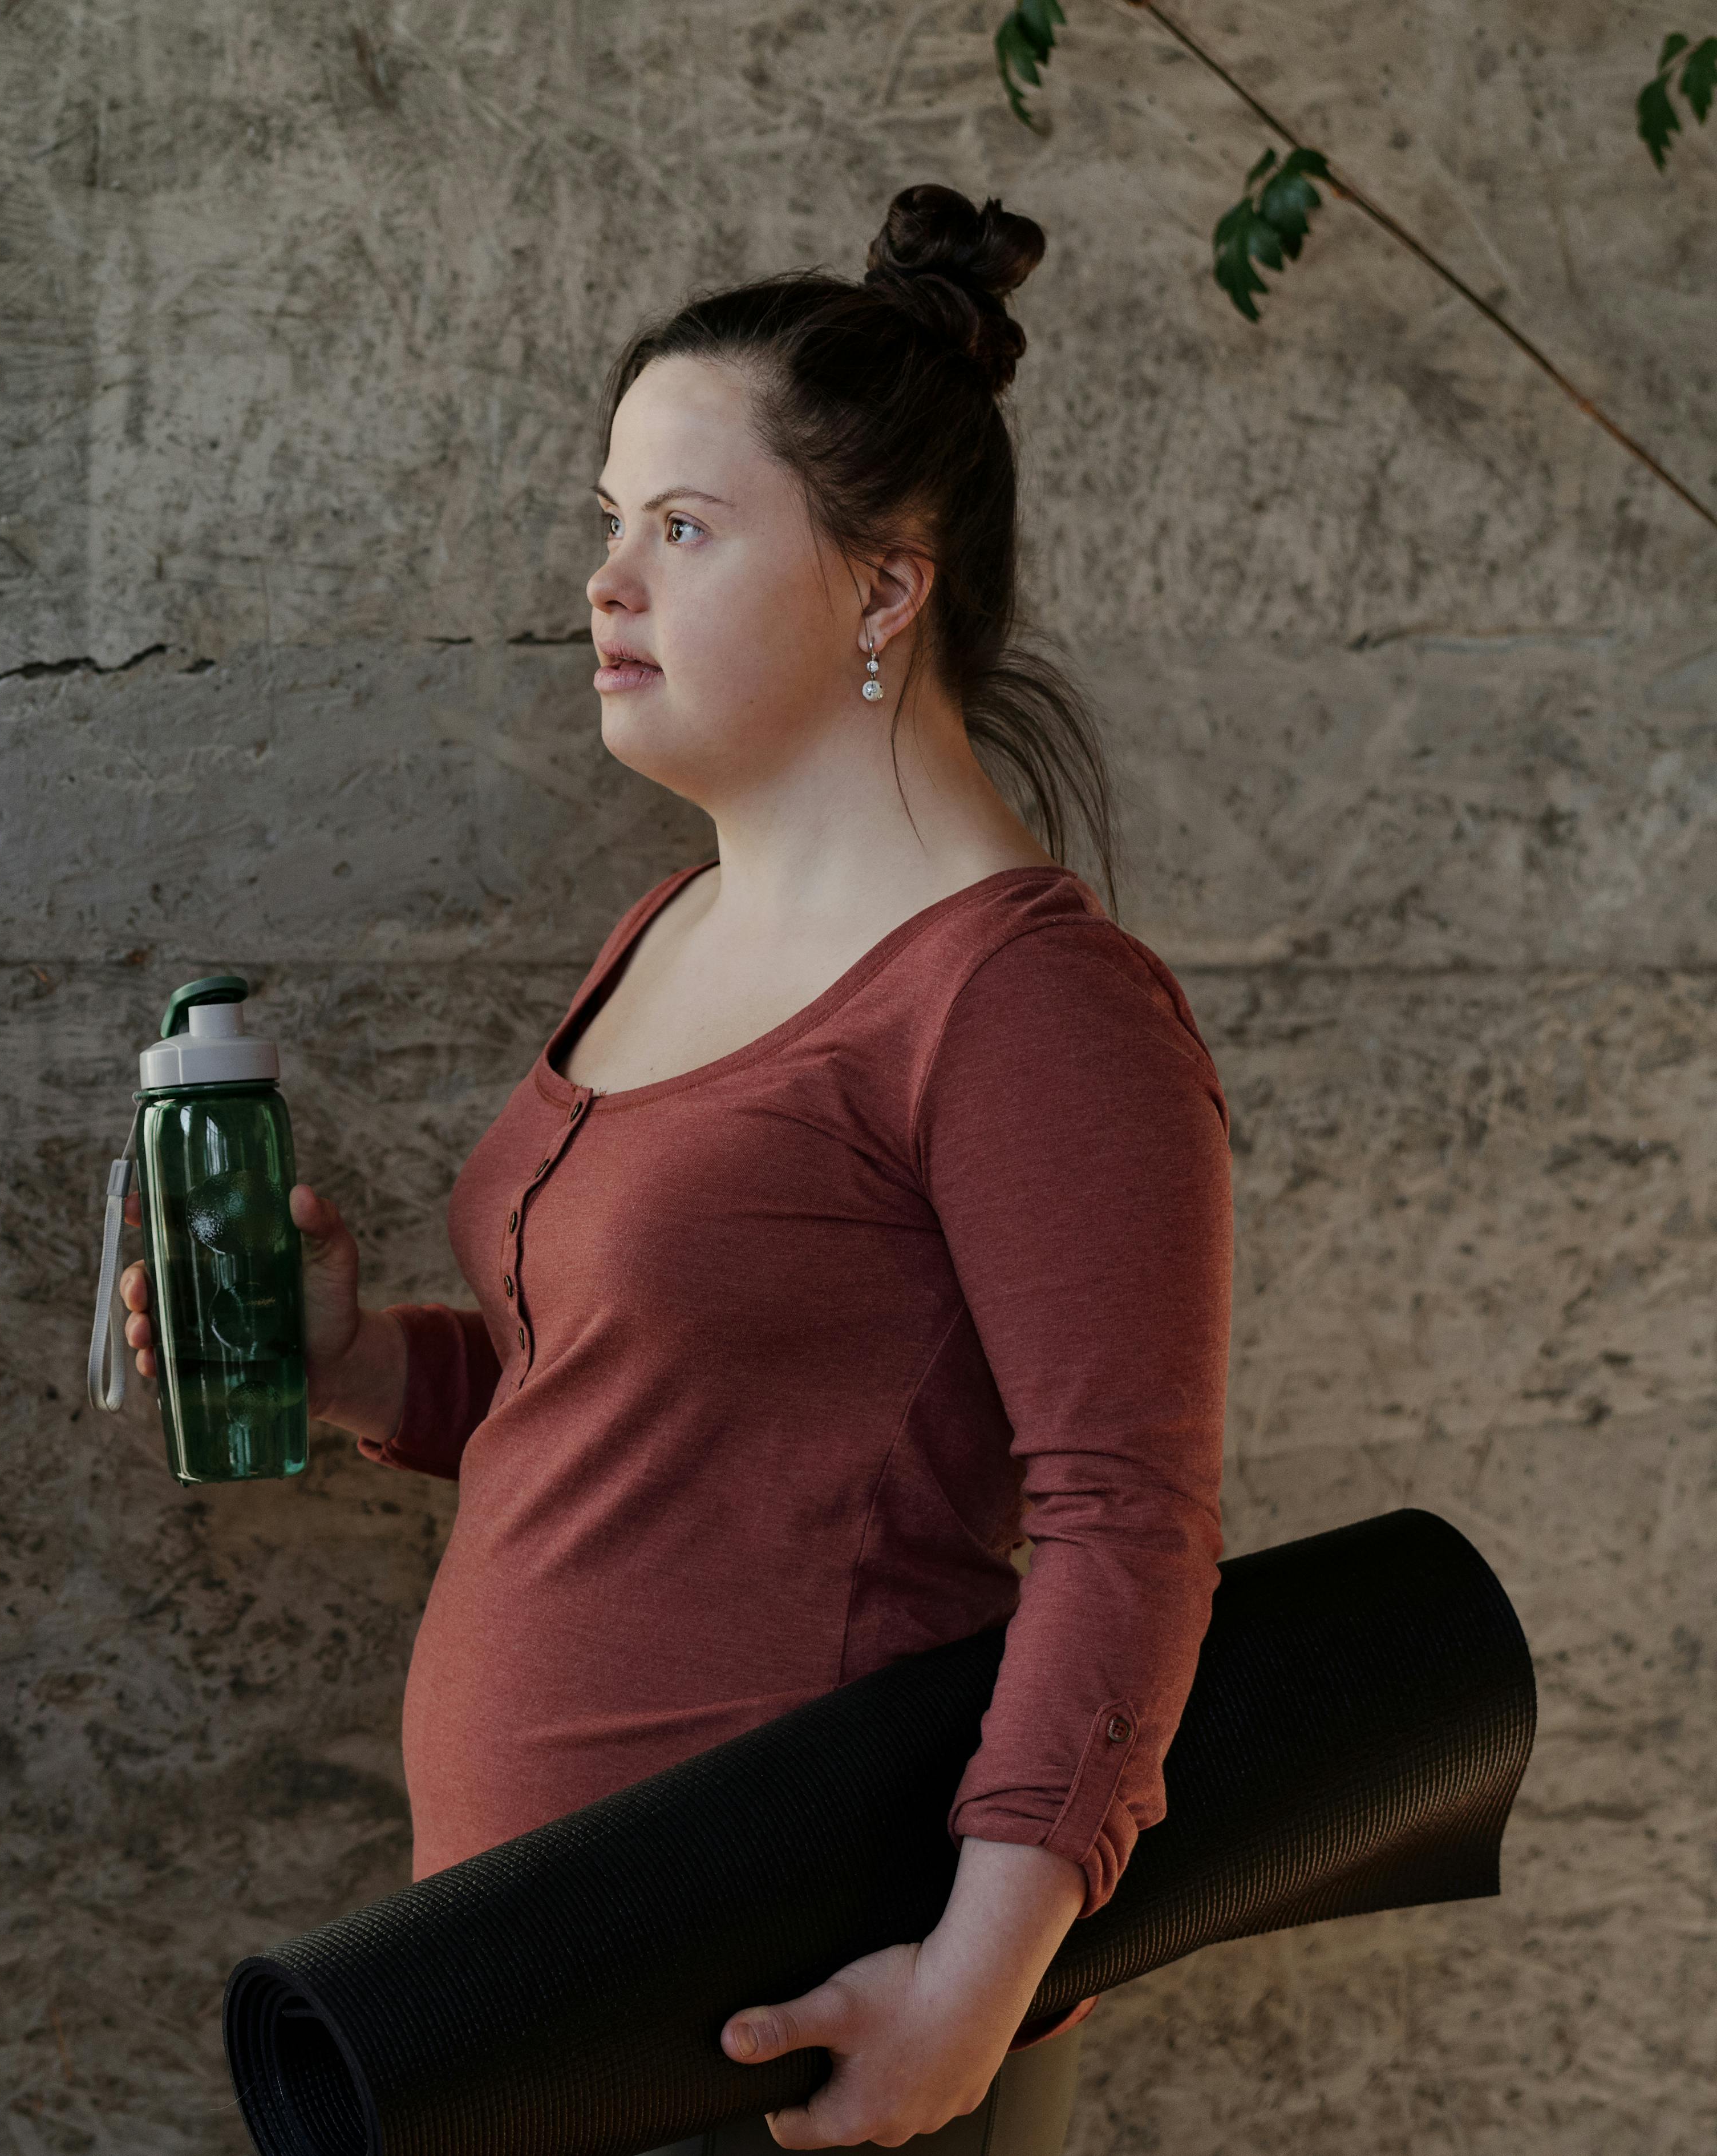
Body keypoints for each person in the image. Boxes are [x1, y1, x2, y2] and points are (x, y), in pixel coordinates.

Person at [124, 187, 1229, 2155]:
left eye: (685, 529)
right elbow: (655, 1414)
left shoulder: (1028, 1003)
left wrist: (967, 1998)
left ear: (889, 591)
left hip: (790, 1992)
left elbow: (1128, 1525)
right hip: (541, 1974)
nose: (607, 585)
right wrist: (372, 1361)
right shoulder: (663, 927)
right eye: (609, 523)